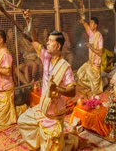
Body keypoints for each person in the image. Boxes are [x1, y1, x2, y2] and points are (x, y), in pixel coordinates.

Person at [18, 10, 76, 151]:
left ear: (58, 46)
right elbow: (35, 42)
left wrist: (57, 89)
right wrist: (29, 21)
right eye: (48, 41)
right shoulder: (45, 57)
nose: (47, 43)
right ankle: (41, 141)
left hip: (54, 115)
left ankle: (65, 139)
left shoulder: (65, 67)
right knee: (22, 121)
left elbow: (73, 91)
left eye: (50, 41)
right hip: (42, 109)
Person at [76, 17, 103, 95]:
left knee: (95, 91)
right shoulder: (91, 33)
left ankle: (100, 84)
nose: (90, 24)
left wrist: (90, 47)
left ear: (95, 25)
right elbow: (85, 25)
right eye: (90, 22)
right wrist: (82, 20)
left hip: (95, 64)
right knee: (79, 74)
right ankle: (92, 85)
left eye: (91, 23)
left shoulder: (99, 36)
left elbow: (100, 53)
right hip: (90, 62)